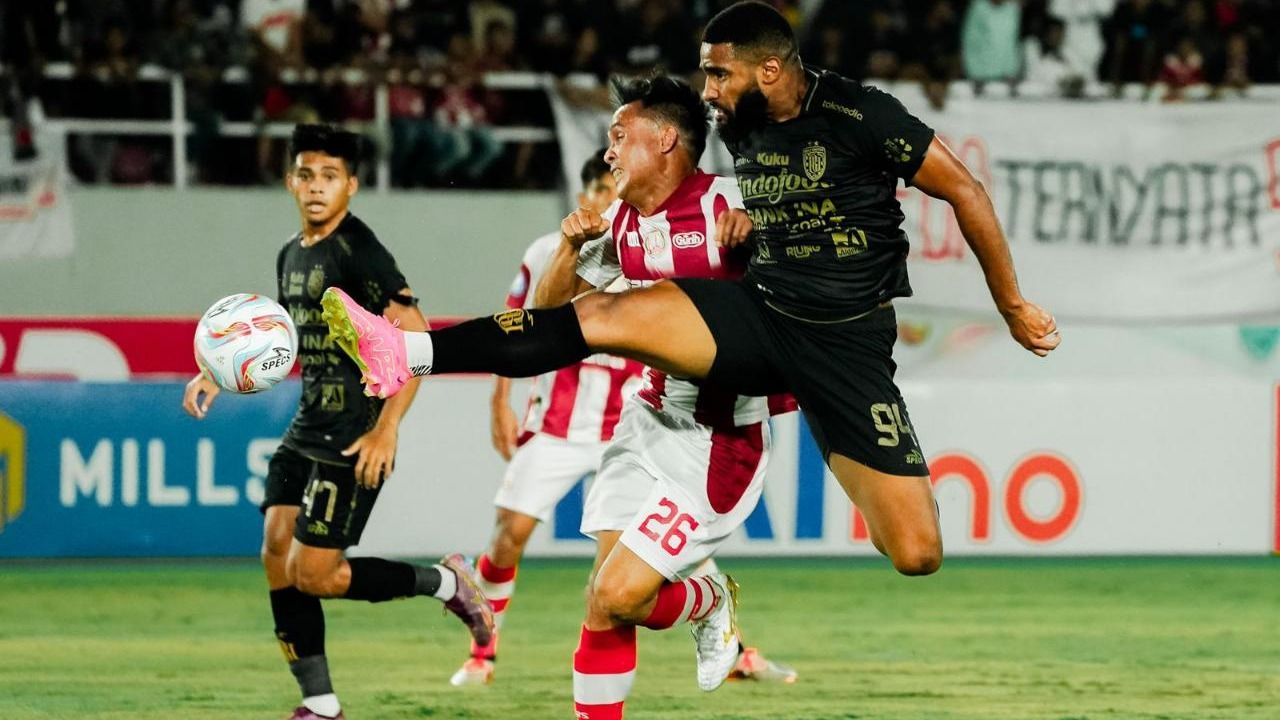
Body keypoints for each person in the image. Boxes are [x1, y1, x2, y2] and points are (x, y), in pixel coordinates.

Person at [322, 0, 1059, 697]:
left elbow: (962, 190)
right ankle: (410, 351)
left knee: (916, 552)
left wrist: (1013, 305)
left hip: (845, 349)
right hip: (760, 315)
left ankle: (711, 598)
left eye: (718, 73)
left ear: (769, 69)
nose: (708, 90)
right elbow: (713, 216)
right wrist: (745, 229)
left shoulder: (860, 114)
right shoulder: (734, 126)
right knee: (603, 314)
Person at [452, 146, 796, 692]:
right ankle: (482, 652)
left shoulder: (666, 236)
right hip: (563, 427)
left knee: (625, 584)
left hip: (639, 416)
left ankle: (729, 637)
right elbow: (522, 326)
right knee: (515, 540)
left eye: (609, 187)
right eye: (594, 189)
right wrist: (501, 401)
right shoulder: (557, 248)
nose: (603, 199)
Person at [181, 124, 493, 720]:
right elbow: (292, 342)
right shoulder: (290, 253)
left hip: (355, 433)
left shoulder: (359, 249)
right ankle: (320, 705)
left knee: (316, 574)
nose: (316, 188)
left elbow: (418, 337)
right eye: (305, 175)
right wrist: (220, 371)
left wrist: (388, 427)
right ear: (289, 181)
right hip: (306, 426)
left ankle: (449, 582)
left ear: (351, 184)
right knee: (276, 551)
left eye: (330, 177)